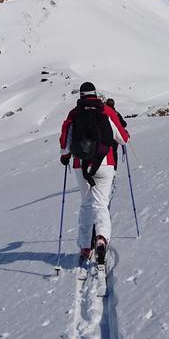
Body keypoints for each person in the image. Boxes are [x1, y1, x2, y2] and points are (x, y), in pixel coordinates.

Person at [60, 82, 130, 264]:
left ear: (81, 96)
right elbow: (123, 138)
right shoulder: (106, 111)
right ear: (95, 94)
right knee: (100, 204)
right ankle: (101, 239)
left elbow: (65, 141)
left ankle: (85, 246)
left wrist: (65, 156)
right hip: (105, 162)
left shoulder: (74, 114)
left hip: (80, 164)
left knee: (85, 203)